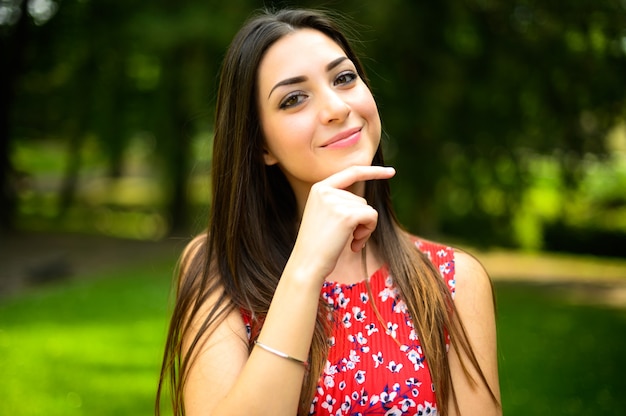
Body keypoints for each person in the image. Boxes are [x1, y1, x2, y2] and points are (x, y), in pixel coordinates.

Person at [157, 8, 501, 416]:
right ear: (261, 146)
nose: (336, 106)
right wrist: (305, 268)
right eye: (294, 99)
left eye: (343, 78)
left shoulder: (452, 283)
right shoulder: (220, 271)